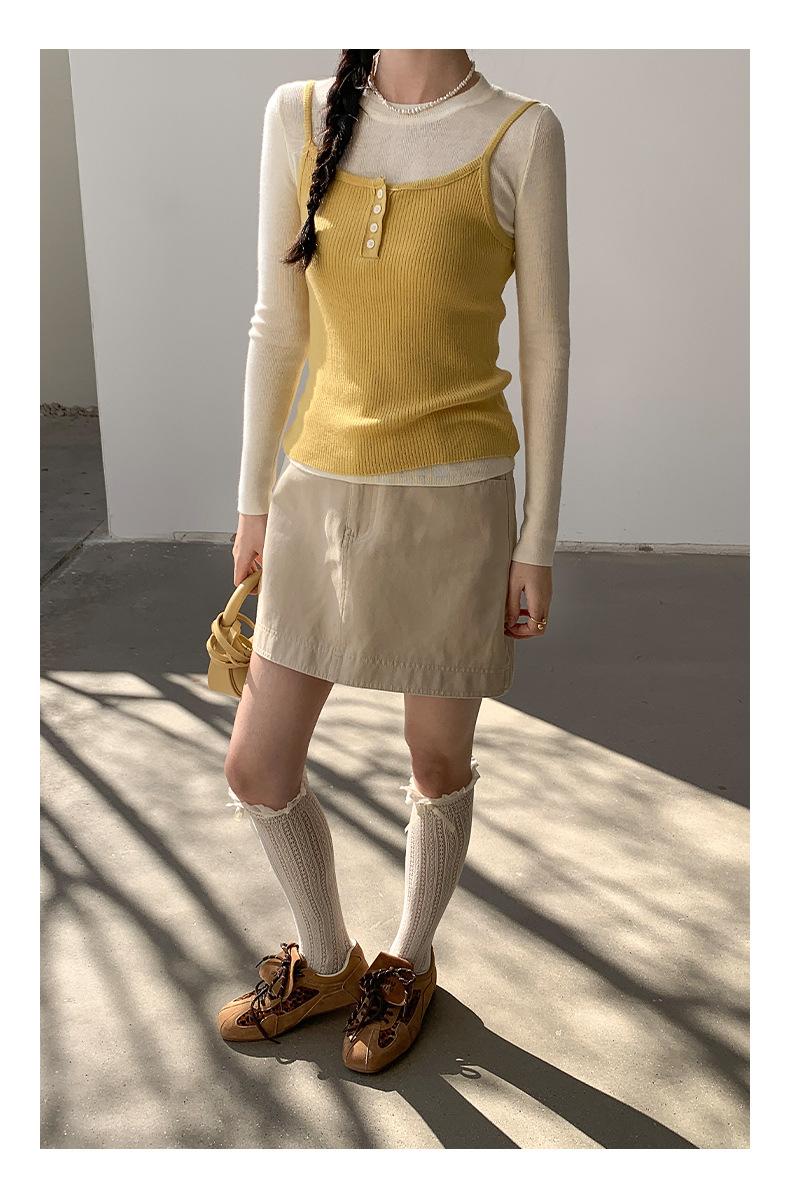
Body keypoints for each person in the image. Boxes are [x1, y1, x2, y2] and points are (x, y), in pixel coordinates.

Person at [217, 48, 570, 1073]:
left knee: (435, 760)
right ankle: (329, 963)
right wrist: (253, 499)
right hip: (317, 497)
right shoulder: (296, 115)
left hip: (456, 504)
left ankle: (408, 962)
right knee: (257, 764)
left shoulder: (521, 134)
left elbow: (546, 346)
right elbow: (275, 321)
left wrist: (536, 541)